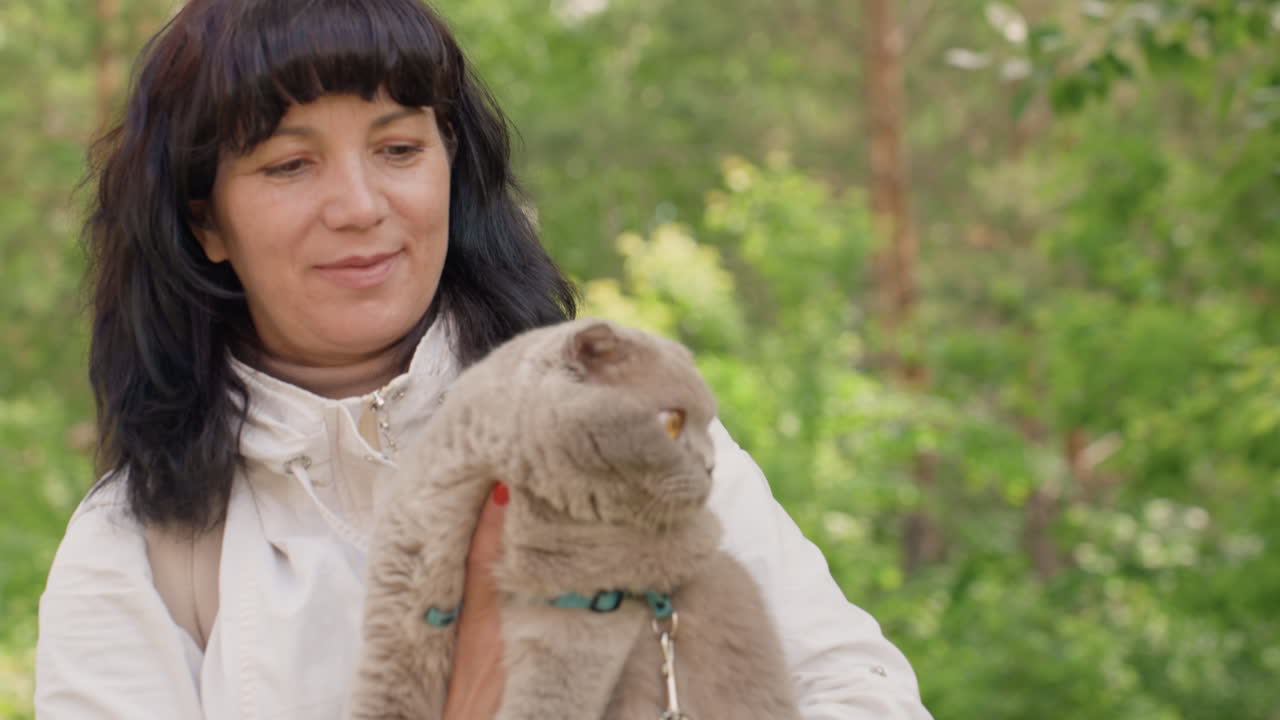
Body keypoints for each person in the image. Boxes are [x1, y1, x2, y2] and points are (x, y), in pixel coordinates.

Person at [34, 1, 933, 718]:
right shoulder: (137, 553)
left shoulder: (618, 419)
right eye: (287, 165)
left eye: (397, 149)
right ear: (205, 222)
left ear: (450, 168)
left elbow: (859, 691)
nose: (359, 205)